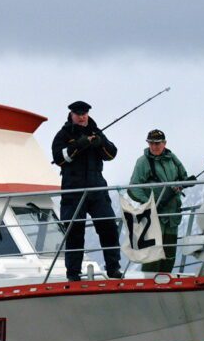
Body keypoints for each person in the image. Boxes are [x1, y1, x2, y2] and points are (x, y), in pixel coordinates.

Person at [51, 101, 122, 280]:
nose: (82, 116)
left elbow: (111, 154)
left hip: (97, 188)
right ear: (72, 115)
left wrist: (99, 143)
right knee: (74, 231)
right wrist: (78, 145)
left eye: (85, 113)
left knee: (108, 227)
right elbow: (59, 158)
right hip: (73, 190)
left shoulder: (96, 131)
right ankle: (73, 273)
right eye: (78, 113)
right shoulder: (63, 135)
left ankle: (113, 268)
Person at [128, 129, 192, 273]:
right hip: (153, 216)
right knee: (152, 257)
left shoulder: (172, 158)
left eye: (157, 143)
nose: (154, 146)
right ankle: (149, 288)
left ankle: (165, 286)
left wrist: (185, 183)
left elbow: (183, 176)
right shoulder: (142, 162)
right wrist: (150, 203)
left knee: (169, 256)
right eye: (151, 143)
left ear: (164, 143)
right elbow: (133, 188)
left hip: (172, 216)